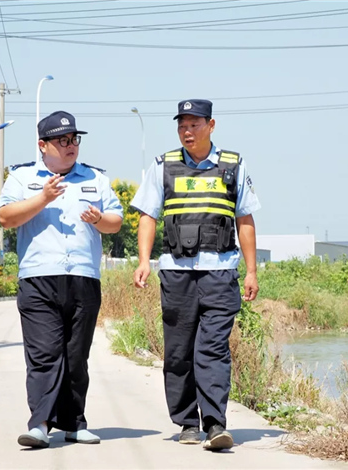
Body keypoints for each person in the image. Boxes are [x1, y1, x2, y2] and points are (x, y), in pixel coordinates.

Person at [131, 99, 261, 451]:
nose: (187, 131)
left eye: (194, 124)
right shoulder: (163, 166)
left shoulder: (234, 165)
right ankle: (188, 421)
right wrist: (144, 261)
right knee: (178, 351)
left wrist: (250, 270)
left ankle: (216, 422)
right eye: (181, 126)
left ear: (211, 125)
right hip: (177, 273)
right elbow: (147, 215)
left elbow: (245, 219)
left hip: (220, 273)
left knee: (213, 348)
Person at [0, 110, 123, 449]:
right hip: (39, 279)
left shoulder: (95, 179)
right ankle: (39, 424)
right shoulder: (22, 178)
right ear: (43, 145)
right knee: (44, 354)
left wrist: (99, 219)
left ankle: (73, 423)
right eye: (62, 141)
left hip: (83, 278)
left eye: (74, 140)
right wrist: (43, 198)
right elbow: (6, 217)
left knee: (76, 355)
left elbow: (116, 221)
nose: (70, 147)